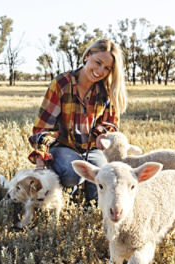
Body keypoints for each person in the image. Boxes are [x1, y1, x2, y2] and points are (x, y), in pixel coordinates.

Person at [27, 39, 127, 202]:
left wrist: (103, 136)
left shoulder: (106, 91)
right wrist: (40, 164)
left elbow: (109, 125)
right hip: (62, 147)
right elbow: (43, 128)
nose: (100, 71)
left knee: (106, 176)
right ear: (87, 56)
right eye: (98, 62)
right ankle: (66, 183)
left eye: (107, 68)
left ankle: (90, 201)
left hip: (90, 149)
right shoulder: (62, 84)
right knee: (72, 173)